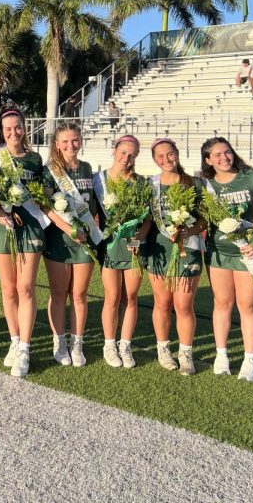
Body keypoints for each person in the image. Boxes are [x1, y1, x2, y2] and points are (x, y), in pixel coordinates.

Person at [201, 137, 253, 383]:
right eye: (217, 155)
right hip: (218, 253)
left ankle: (249, 358)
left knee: (247, 305)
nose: (224, 158)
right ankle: (221, 354)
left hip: (249, 253)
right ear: (208, 160)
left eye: (227, 152)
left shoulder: (252, 177)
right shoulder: (206, 185)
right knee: (222, 303)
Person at [0, 106, 47, 377]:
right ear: (0, 130)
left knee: (26, 288)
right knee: (9, 289)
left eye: (18, 127)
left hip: (31, 227)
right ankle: (14, 340)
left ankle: (25, 347)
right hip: (3, 226)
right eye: (8, 128)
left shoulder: (35, 159)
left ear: (25, 128)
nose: (13, 133)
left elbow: (42, 195)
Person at [42, 122, 102, 367]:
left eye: (75, 140)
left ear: (81, 141)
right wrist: (67, 228)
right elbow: (44, 204)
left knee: (79, 294)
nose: (71, 145)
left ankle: (77, 343)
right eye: (65, 141)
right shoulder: (49, 171)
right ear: (56, 144)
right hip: (59, 239)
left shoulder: (87, 168)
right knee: (58, 293)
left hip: (84, 241)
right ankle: (59, 341)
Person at [143, 138, 205, 375]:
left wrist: (187, 231)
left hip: (187, 250)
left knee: (184, 305)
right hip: (158, 249)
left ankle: (186, 353)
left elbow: (204, 219)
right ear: (154, 160)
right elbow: (147, 218)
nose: (166, 159)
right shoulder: (151, 185)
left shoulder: (194, 184)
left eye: (169, 154)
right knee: (162, 303)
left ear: (177, 154)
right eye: (160, 156)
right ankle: (163, 349)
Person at [93, 135, 150, 369]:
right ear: (114, 150)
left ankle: (125, 345)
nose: (126, 158)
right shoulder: (99, 180)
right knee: (113, 297)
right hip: (110, 246)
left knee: (131, 297)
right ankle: (109, 344)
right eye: (123, 152)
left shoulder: (141, 183)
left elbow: (147, 220)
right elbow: (91, 213)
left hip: (134, 247)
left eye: (132, 155)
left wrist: (137, 239)